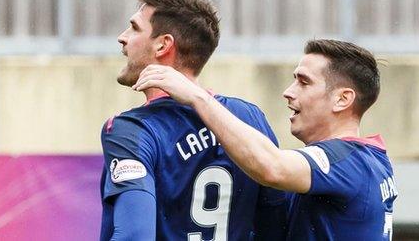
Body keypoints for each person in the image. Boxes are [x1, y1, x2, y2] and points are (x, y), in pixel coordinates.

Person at [134, 39, 399, 240]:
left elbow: (270, 167)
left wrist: (197, 97)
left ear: (343, 99)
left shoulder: (348, 161)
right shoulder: (370, 161)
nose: (288, 92)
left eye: (304, 82)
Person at [99, 0, 287, 240]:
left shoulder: (131, 130)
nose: (122, 37)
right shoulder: (249, 117)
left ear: (163, 45)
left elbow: (134, 235)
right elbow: (277, 224)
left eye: (134, 28)